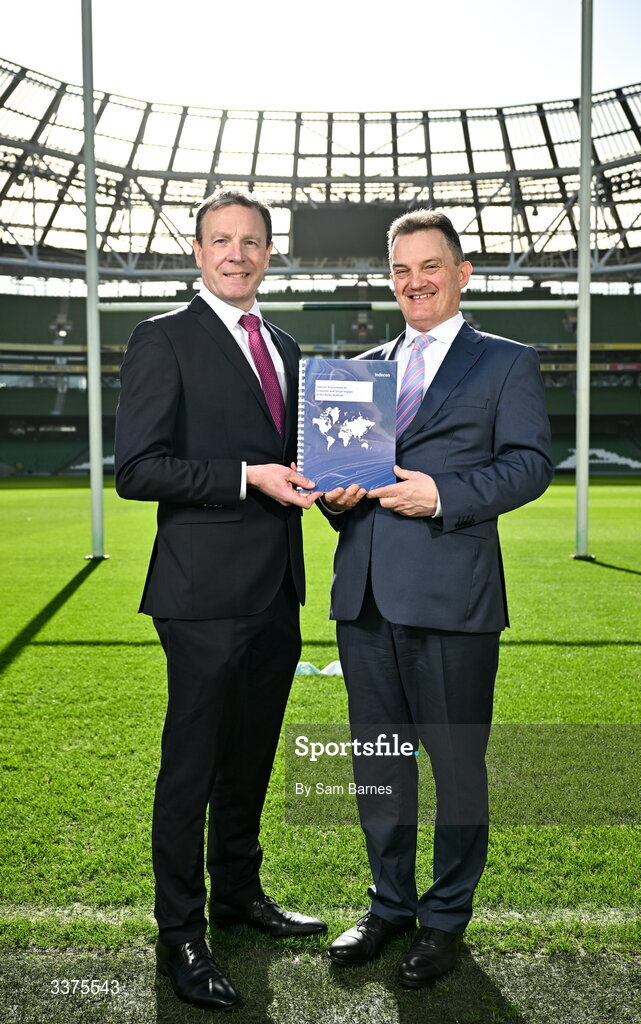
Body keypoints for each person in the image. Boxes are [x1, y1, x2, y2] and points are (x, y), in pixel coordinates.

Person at [322, 210, 553, 987]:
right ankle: (388, 905)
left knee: (455, 769)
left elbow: (528, 465)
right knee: (379, 768)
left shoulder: (506, 362)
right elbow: (343, 485)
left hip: (453, 599)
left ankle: (444, 920)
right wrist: (334, 497)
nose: (414, 282)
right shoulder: (359, 371)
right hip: (364, 600)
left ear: (461, 273)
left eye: (429, 266)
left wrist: (442, 495)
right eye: (400, 270)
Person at [115, 188, 326, 1013]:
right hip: (201, 592)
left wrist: (337, 482)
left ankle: (238, 893)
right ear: (198, 252)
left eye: (250, 241)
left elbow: (298, 457)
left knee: (249, 756)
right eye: (220, 240)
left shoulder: (286, 344)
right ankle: (181, 934)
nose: (236, 254)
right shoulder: (162, 337)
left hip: (276, 587)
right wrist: (246, 476)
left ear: (270, 253)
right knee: (192, 767)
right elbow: (138, 469)